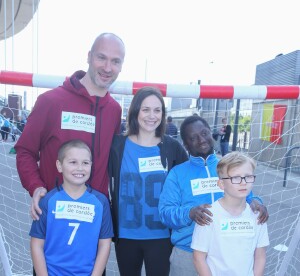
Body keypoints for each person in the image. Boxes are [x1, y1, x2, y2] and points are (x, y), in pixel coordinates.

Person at [15, 33, 125, 221]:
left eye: (115, 61)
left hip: (94, 216)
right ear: (89, 56)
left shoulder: (114, 110)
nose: (107, 68)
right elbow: (25, 151)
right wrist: (36, 186)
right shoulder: (50, 101)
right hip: (55, 213)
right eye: (101, 57)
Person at [158, 115, 269, 276]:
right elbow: (165, 213)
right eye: (193, 138)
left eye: (204, 133)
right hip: (187, 255)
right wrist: (190, 213)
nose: (201, 139)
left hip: (227, 254)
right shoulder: (177, 174)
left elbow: (248, 195)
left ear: (211, 133)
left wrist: (257, 203)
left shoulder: (228, 166)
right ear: (185, 144)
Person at [108, 86, 188, 276]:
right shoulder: (117, 145)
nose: (151, 115)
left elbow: (190, 180)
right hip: (126, 236)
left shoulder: (172, 147)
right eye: (145, 109)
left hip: (161, 235)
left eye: (157, 110)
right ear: (135, 111)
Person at [30, 139, 113, 275]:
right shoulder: (48, 201)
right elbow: (36, 244)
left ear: (91, 165)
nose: (80, 168)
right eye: (73, 162)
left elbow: (105, 244)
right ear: (59, 165)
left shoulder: (101, 202)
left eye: (85, 163)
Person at [192, 151, 269, 276]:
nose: (243, 182)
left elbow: (260, 256)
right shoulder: (208, 215)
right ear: (221, 184)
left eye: (248, 176)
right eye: (235, 178)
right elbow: (198, 258)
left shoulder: (257, 215)